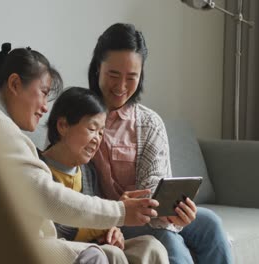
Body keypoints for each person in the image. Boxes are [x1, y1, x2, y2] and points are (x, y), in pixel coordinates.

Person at [0, 42, 160, 263]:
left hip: (22, 241)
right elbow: (47, 196)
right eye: (43, 93)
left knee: (148, 247)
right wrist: (119, 211)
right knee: (101, 255)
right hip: (7, 244)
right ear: (14, 84)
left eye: (101, 132)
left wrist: (112, 226)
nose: (45, 107)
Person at [87, 23, 233, 264]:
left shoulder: (149, 123)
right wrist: (162, 221)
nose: (121, 86)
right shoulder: (77, 116)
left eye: (131, 77)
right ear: (97, 69)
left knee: (210, 225)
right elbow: (72, 191)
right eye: (113, 75)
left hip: (149, 214)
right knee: (168, 240)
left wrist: (175, 214)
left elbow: (156, 190)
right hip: (111, 217)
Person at [40, 86, 169, 264]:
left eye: (101, 132)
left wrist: (112, 230)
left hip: (94, 245)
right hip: (65, 251)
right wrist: (108, 219)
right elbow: (61, 223)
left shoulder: (88, 171)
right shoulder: (38, 168)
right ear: (63, 125)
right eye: (92, 129)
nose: (97, 139)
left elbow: (98, 218)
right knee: (112, 254)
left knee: (150, 246)